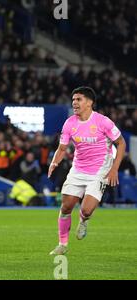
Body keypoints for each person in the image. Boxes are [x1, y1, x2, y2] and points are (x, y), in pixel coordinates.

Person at [48, 87, 126, 255]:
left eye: (79, 99)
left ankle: (83, 221)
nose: (74, 102)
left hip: (99, 171)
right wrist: (54, 163)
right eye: (73, 99)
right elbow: (62, 148)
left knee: (86, 209)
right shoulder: (69, 123)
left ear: (90, 102)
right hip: (78, 169)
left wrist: (114, 169)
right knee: (66, 206)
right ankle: (62, 244)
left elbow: (121, 143)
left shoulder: (103, 121)